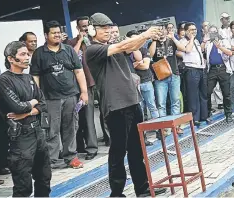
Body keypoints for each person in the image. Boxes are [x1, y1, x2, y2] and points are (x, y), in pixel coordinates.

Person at [86, 13, 166, 197]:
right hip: (115, 107)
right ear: (92, 30)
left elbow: (130, 46)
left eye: (108, 28)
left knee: (137, 151)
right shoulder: (92, 50)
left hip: (131, 102)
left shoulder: (112, 47)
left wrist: (146, 37)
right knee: (118, 153)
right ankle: (116, 193)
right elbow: (123, 45)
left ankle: (143, 190)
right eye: (103, 28)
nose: (107, 31)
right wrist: (146, 34)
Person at [0, 41, 51, 197]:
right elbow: (17, 107)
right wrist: (32, 104)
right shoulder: (4, 80)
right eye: (22, 54)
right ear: (11, 59)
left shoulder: (29, 78)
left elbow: (43, 103)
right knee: (23, 185)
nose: (27, 57)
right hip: (20, 137)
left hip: (38, 133)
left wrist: (27, 112)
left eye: (28, 54)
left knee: (44, 178)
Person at [30, 20, 87, 169]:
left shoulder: (68, 50)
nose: (57, 35)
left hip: (70, 96)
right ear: (46, 35)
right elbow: (35, 76)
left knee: (71, 127)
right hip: (49, 98)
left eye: (59, 33)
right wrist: (37, 97)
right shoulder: (39, 53)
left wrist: (84, 92)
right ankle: (51, 160)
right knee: (51, 130)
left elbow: (79, 71)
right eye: (53, 33)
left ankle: (71, 157)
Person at [67, 16, 98, 160]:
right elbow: (71, 57)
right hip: (87, 83)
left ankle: (111, 139)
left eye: (88, 25)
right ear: (78, 28)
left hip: (101, 80)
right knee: (88, 117)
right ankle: (92, 148)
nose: (86, 28)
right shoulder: (72, 42)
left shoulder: (95, 39)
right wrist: (80, 40)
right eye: (83, 26)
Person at [203, 25, 232, 123]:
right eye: (211, 32)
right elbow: (202, 51)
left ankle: (228, 114)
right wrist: (204, 40)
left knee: (226, 93)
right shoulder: (208, 43)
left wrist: (220, 47)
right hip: (212, 70)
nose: (213, 33)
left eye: (215, 32)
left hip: (223, 68)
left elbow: (229, 53)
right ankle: (208, 113)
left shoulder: (224, 41)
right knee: (207, 92)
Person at [180, 22, 208, 125]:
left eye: (195, 29)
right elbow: (188, 50)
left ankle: (204, 116)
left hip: (201, 68)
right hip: (191, 69)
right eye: (191, 30)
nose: (194, 31)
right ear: (186, 31)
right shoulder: (182, 41)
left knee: (203, 93)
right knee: (193, 95)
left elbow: (200, 50)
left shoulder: (196, 40)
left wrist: (203, 42)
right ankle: (195, 118)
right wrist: (191, 38)